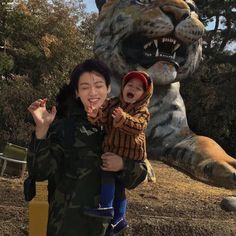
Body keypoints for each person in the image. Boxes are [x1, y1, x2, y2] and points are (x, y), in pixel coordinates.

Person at [26, 59, 148, 236]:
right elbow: (39, 172)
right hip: (67, 228)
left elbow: (139, 176)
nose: (92, 92)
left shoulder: (126, 126)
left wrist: (123, 164)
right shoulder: (63, 128)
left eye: (98, 85)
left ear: (108, 89)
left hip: (108, 230)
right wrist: (42, 130)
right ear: (76, 93)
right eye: (84, 87)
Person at [85, 71, 153, 235]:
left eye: (138, 88)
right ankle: (118, 220)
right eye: (130, 85)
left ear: (144, 95)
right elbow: (102, 117)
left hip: (130, 153)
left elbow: (138, 126)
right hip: (114, 149)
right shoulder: (113, 103)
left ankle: (106, 208)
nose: (133, 89)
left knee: (113, 179)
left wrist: (123, 119)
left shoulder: (142, 110)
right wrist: (95, 115)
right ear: (123, 87)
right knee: (117, 186)